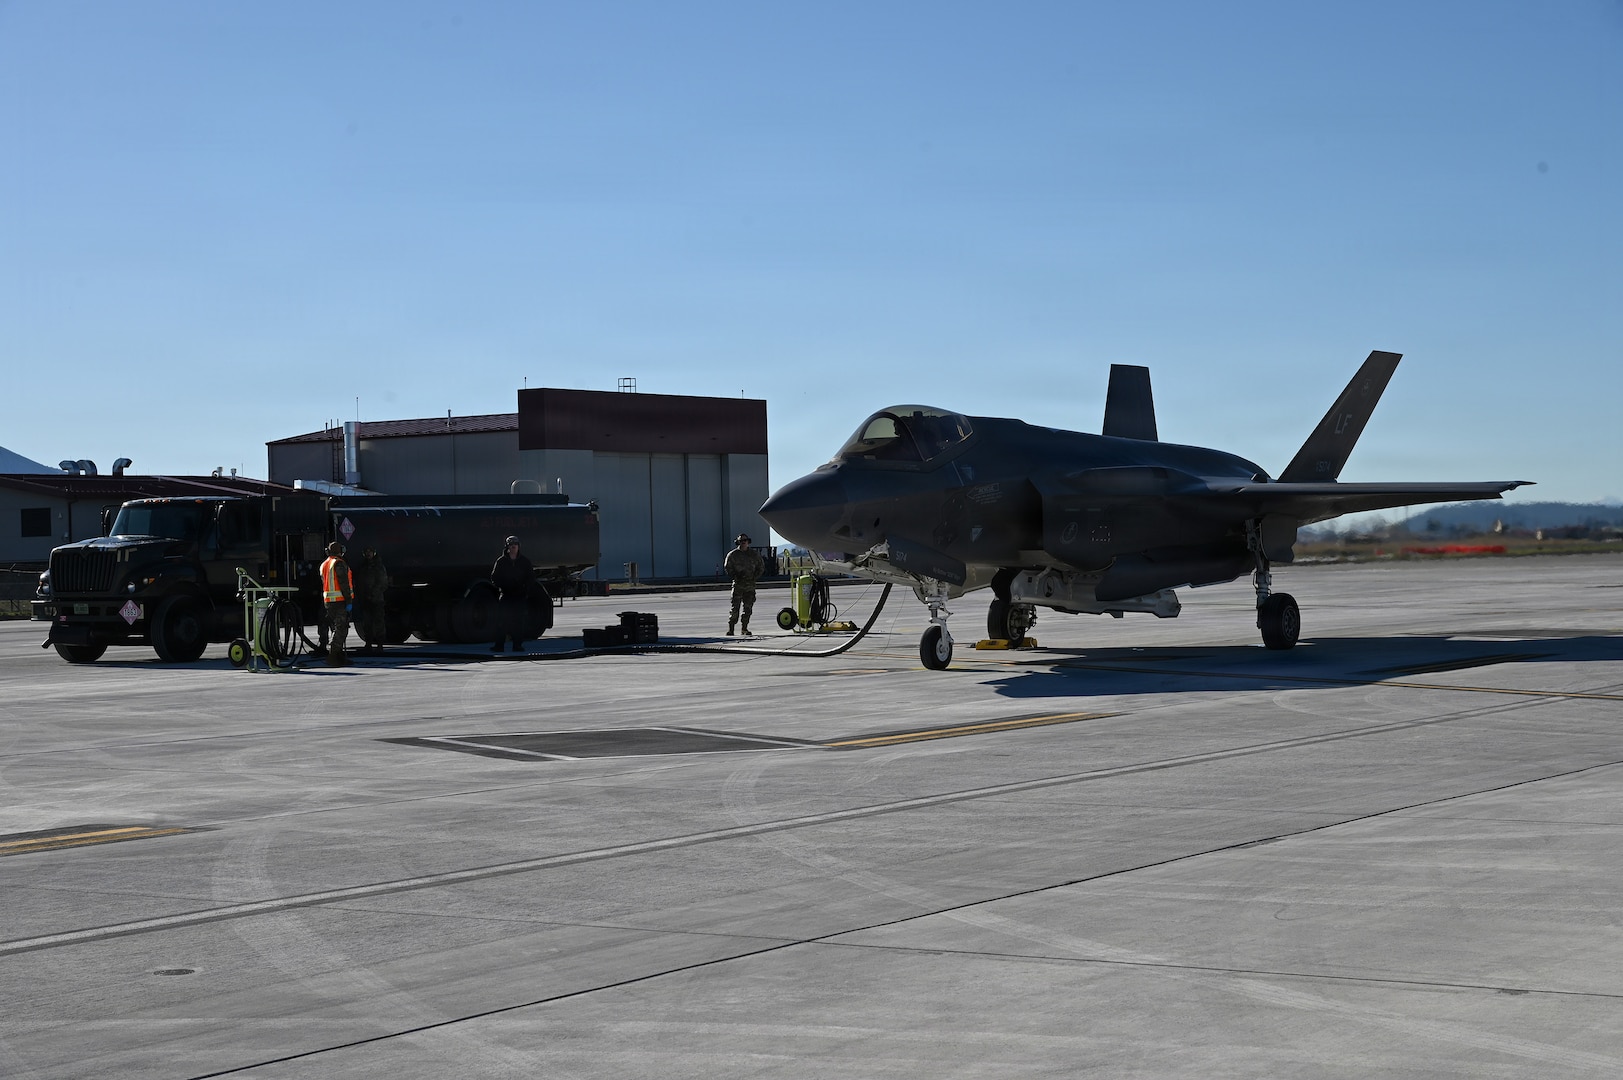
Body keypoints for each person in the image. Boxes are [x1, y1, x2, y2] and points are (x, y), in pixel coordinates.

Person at [490, 535, 535, 653]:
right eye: (511, 545)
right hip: (506, 595)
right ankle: (499, 646)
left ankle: (517, 646)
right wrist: (504, 586)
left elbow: (531, 578)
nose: (513, 547)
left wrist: (524, 589)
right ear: (507, 547)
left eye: (515, 545)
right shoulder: (501, 561)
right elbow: (494, 577)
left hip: (519, 596)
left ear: (519, 546)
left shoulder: (525, 562)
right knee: (502, 621)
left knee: (518, 622)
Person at [319, 541, 354, 666]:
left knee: (336, 627)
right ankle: (333, 656)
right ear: (340, 551)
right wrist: (349, 601)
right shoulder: (338, 563)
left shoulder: (324, 564)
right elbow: (344, 584)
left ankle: (338, 656)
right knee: (341, 629)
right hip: (340, 601)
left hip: (328, 602)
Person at [724, 533, 765, 636]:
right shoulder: (733, 555)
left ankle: (744, 628)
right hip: (738, 585)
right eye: (741, 541)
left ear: (748, 542)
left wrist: (754, 577)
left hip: (750, 586)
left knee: (748, 608)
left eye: (745, 540)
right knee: (735, 608)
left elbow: (761, 567)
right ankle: (731, 629)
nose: (743, 542)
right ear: (738, 542)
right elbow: (727, 567)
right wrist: (735, 576)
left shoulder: (754, 555)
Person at [353, 545, 389, 654]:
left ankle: (380, 644)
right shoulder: (362, 567)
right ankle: (368, 643)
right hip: (365, 599)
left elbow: (383, 583)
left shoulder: (378, 566)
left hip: (376, 600)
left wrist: (372, 594)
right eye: (366, 552)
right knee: (366, 623)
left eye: (370, 551)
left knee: (378, 622)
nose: (368, 554)